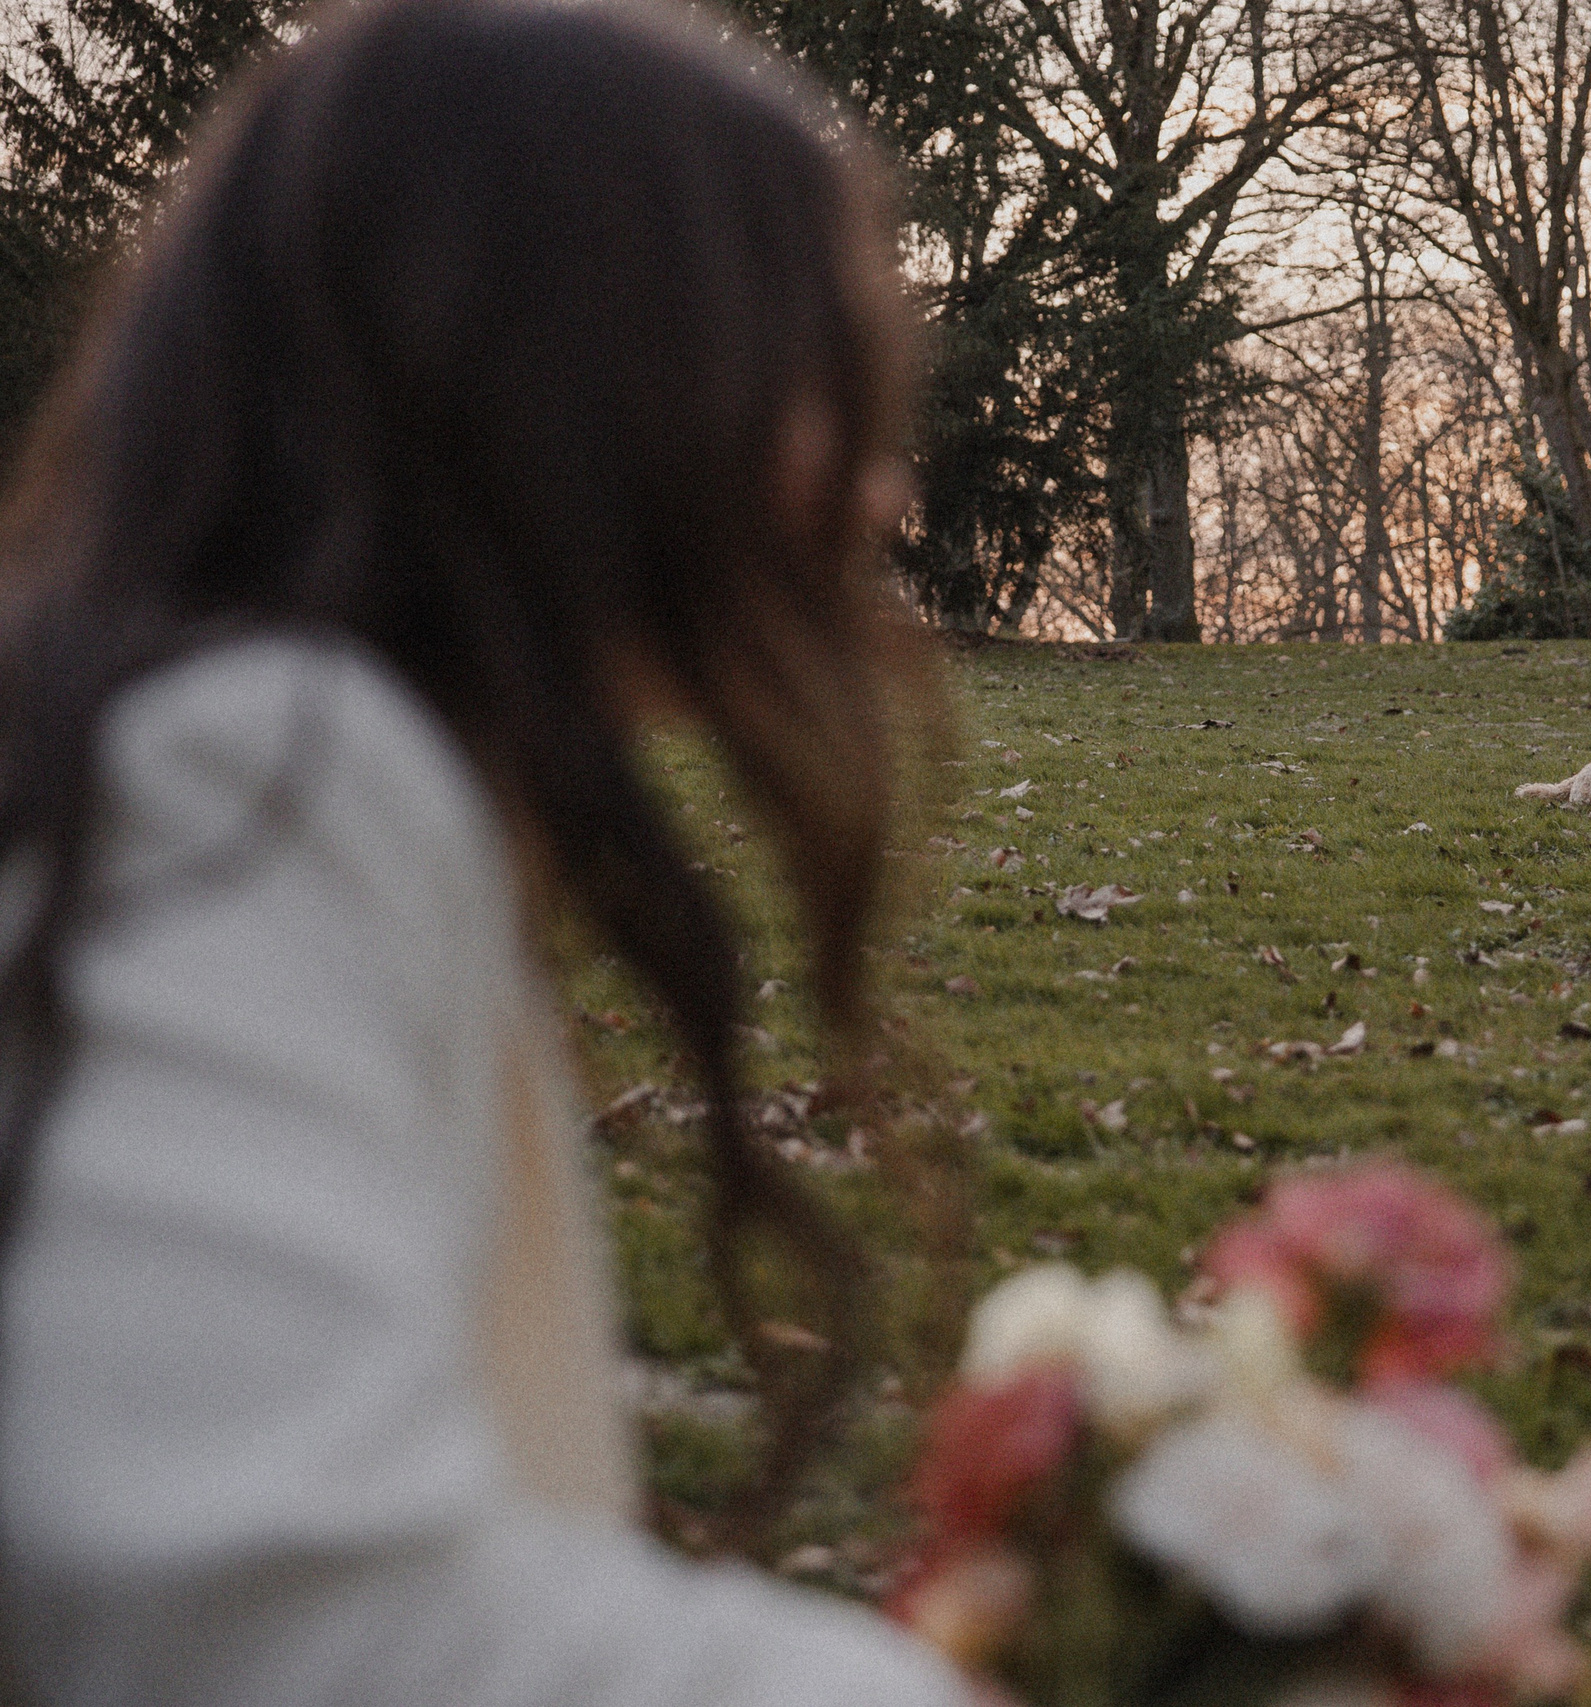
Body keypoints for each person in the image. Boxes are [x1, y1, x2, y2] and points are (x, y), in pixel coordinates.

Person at [0, 1, 974, 1701]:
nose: (882, 490)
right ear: (596, 375)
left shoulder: (226, 746)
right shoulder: (262, 773)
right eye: (808, 373)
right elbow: (263, 1620)